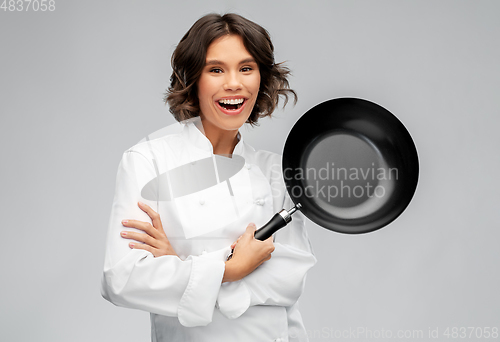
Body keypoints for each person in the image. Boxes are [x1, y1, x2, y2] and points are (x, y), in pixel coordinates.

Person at [101, 13, 316, 342]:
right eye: (216, 69)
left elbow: (290, 278)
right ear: (193, 80)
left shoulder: (276, 170)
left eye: (246, 68)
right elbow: (123, 278)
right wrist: (230, 269)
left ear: (261, 79)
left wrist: (182, 266)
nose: (234, 83)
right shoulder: (148, 161)